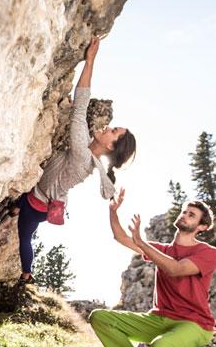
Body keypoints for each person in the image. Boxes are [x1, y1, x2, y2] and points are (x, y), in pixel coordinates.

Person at [89, 191, 216, 347]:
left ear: (201, 226)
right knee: (99, 317)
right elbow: (119, 236)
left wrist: (142, 241)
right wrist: (113, 211)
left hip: (194, 325)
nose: (184, 215)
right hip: (159, 319)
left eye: (191, 215)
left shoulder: (208, 253)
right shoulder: (162, 249)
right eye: (183, 211)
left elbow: (176, 268)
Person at [12, 36, 137, 284]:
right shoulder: (89, 156)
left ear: (110, 146)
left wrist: (89, 61)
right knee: (26, 223)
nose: (109, 127)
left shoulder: (82, 154)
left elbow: (80, 107)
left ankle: (27, 274)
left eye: (113, 131)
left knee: (24, 235)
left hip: (36, 202)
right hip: (46, 201)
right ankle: (17, 210)